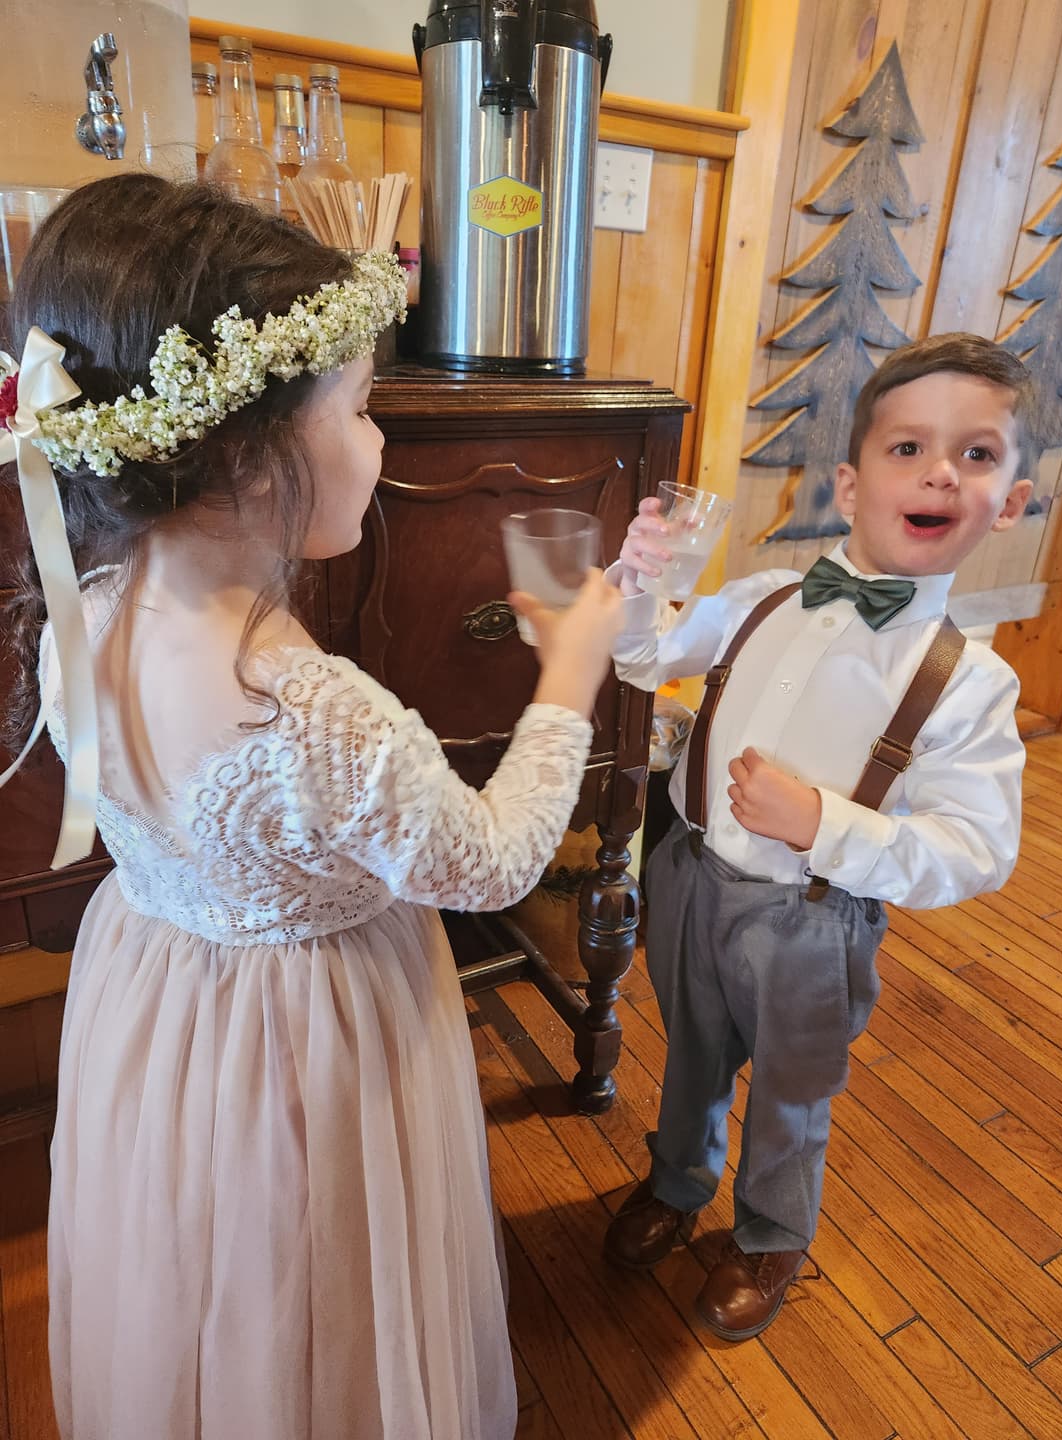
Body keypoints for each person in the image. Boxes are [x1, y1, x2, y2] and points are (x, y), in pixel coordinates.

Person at [0, 174, 624, 1440]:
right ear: (246, 449)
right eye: (363, 407)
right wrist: (570, 674)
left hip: (158, 1005)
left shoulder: (88, 608)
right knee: (316, 1266)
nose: (380, 444)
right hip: (312, 1035)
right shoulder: (317, 713)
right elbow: (494, 863)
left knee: (202, 1258)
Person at [602, 333, 1034, 1342]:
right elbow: (644, 656)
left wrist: (824, 824)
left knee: (793, 1092)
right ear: (849, 485)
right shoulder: (763, 598)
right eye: (908, 448)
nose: (940, 471)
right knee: (691, 1055)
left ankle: (770, 1232)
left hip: (813, 919)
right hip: (689, 876)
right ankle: (677, 1180)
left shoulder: (971, 683)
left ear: (1009, 504)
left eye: (975, 455)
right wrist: (636, 581)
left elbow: (977, 849)